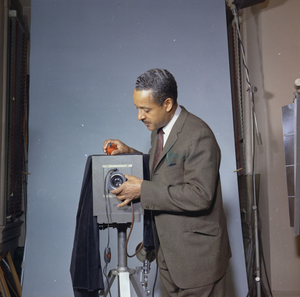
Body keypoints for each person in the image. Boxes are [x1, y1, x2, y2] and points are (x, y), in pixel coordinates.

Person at [102, 68, 231, 297]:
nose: (140, 116)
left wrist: (142, 190)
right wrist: (129, 151)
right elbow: (165, 168)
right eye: (137, 108)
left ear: (168, 104)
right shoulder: (160, 131)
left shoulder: (199, 134)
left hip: (197, 261)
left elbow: (201, 195)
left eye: (145, 109)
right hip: (169, 257)